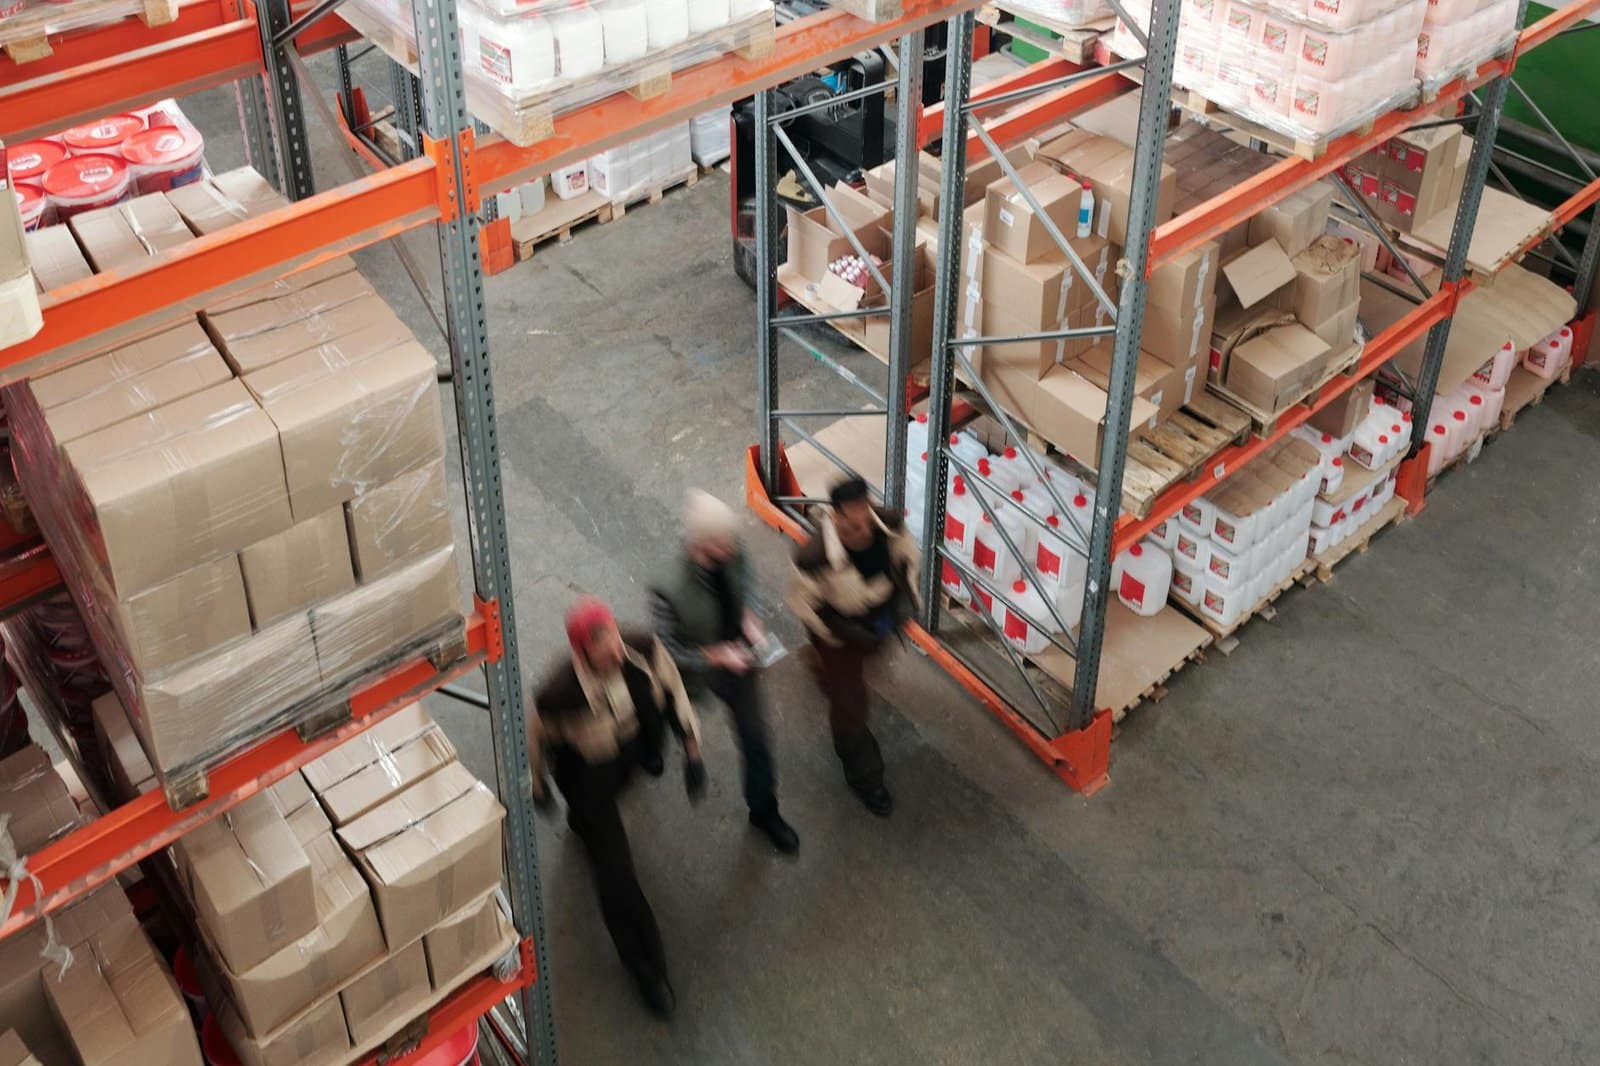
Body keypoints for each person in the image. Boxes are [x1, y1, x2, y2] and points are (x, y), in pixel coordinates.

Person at [529, 597, 707, 1019]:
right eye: (599, 644)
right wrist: (539, 787)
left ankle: (598, 809)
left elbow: (674, 688)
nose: (613, 649)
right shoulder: (559, 695)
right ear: (581, 651)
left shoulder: (641, 648)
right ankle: (646, 968)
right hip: (590, 775)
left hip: (632, 750)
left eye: (611, 635)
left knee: (652, 711)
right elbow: (536, 742)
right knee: (616, 877)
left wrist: (693, 750)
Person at [650, 491, 799, 855]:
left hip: (737, 662)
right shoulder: (667, 586)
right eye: (723, 544)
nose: (734, 548)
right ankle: (648, 747)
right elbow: (668, 651)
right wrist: (714, 656)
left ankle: (764, 811)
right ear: (702, 545)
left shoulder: (731, 549)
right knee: (664, 716)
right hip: (694, 672)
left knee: (756, 739)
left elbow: (746, 579)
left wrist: (750, 613)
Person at [787, 476, 920, 816]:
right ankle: (866, 778)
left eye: (865, 507)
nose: (864, 519)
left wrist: (906, 591)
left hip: (878, 623)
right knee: (850, 706)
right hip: (839, 632)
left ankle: (822, 668)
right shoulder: (814, 556)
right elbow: (805, 604)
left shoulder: (886, 524)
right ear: (836, 516)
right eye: (854, 513)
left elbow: (906, 554)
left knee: (869, 661)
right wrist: (837, 634)